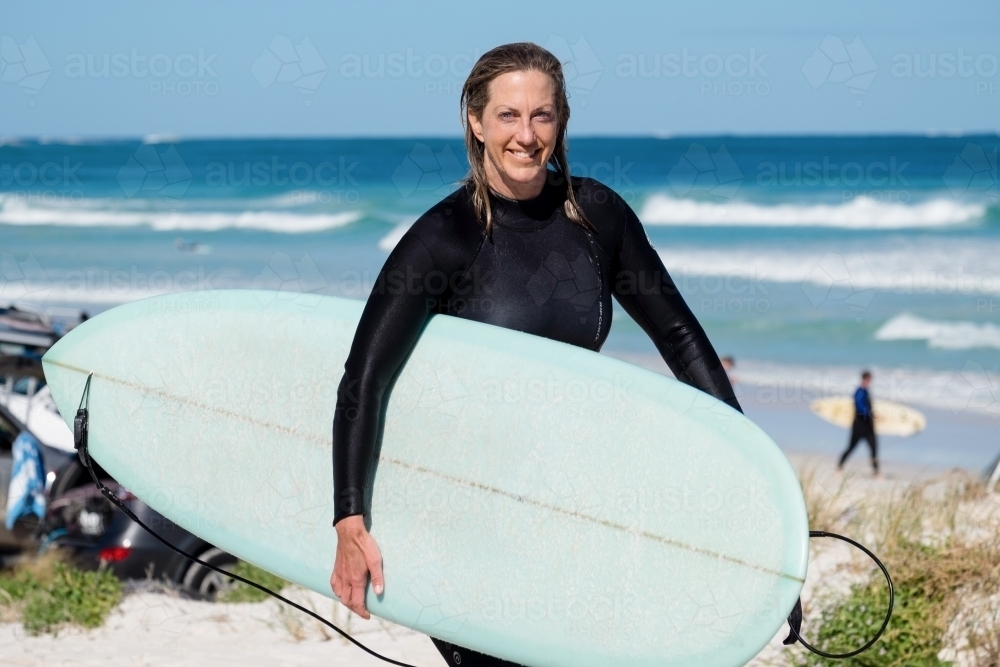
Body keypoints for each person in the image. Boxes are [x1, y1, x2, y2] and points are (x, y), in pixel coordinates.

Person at [329, 42, 742, 667]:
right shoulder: (445, 237)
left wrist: (747, 472)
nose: (526, 135)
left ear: (561, 121)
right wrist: (349, 522)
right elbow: (365, 380)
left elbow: (680, 338)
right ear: (476, 121)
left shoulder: (597, 217)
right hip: (469, 522)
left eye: (541, 116)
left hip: (575, 513)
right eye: (508, 116)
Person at [837, 370, 881, 478]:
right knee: (851, 447)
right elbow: (860, 407)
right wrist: (872, 414)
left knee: (874, 448)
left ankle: (876, 472)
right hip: (859, 426)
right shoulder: (859, 392)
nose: (870, 382)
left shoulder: (866, 392)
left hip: (868, 427)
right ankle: (839, 467)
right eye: (869, 379)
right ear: (864, 379)